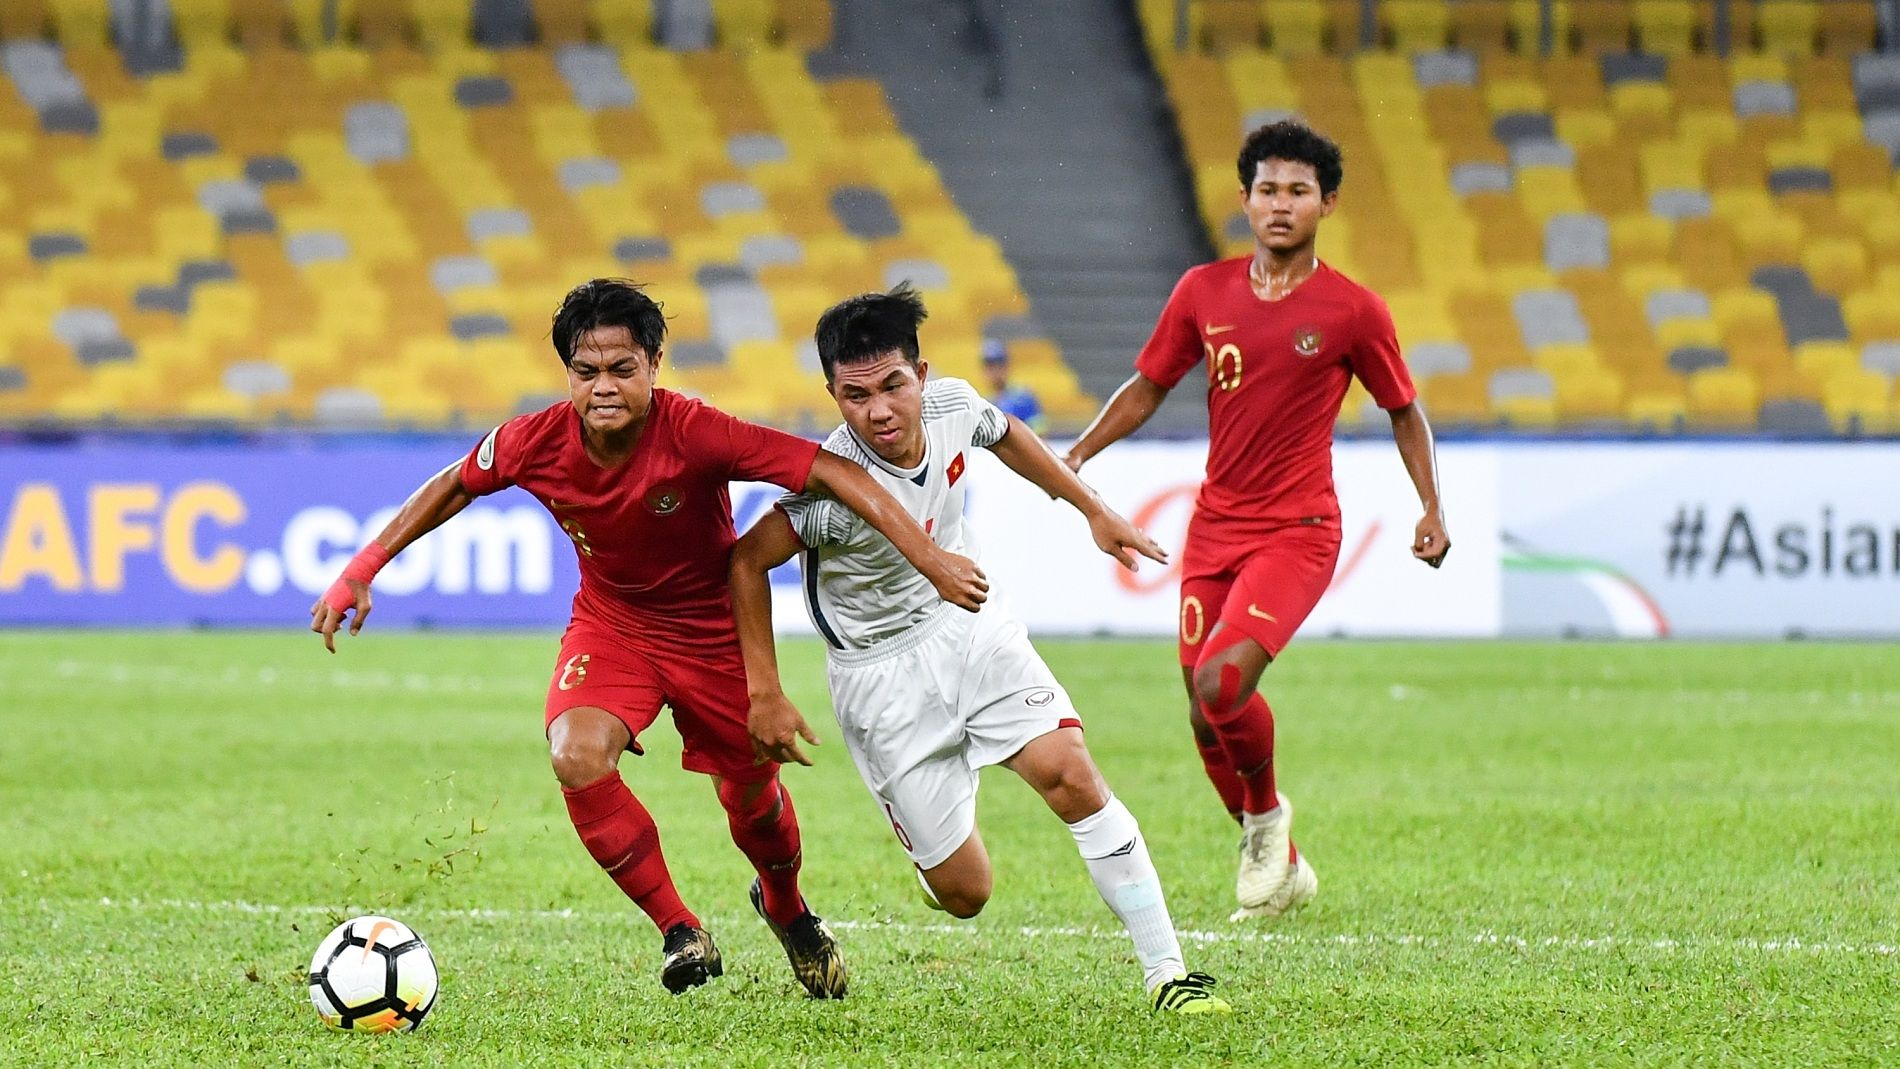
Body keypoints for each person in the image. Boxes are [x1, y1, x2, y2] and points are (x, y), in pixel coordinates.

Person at [309, 279, 989, 998]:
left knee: (753, 802)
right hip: (614, 626)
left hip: (712, 634)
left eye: (621, 369)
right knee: (575, 753)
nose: (603, 387)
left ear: (656, 362)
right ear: (567, 371)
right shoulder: (532, 440)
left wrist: (928, 555)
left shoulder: (698, 431)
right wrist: (362, 567)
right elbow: (456, 482)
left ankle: (788, 910)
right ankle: (679, 928)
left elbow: (829, 469)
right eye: (585, 371)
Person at [728, 285, 1231, 1014]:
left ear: (921, 375)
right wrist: (765, 691)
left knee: (1071, 773)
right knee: (966, 894)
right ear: (833, 395)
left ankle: (1167, 973)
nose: (879, 411)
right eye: (855, 395)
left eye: (894, 385)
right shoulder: (829, 485)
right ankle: (897, 866)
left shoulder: (952, 405)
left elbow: (1004, 433)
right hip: (881, 683)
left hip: (968, 625)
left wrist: (1091, 505)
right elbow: (746, 561)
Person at [1063, 120, 1451, 922]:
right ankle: (1287, 870)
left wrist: (1431, 506)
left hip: (1299, 529)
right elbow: (1146, 385)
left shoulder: (1352, 310)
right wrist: (1078, 455)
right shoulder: (1202, 292)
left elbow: (1404, 410)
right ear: (1244, 199)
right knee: (1202, 711)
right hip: (1214, 527)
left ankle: (1267, 820)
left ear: (1327, 203)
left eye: (1297, 191)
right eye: (1267, 189)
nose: (1280, 204)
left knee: (1222, 682)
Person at [979, 337, 1045, 432]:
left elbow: (1040, 429)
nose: (995, 372)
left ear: (1007, 367)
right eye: (990, 367)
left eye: (999, 365)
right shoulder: (985, 403)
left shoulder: (1023, 398)